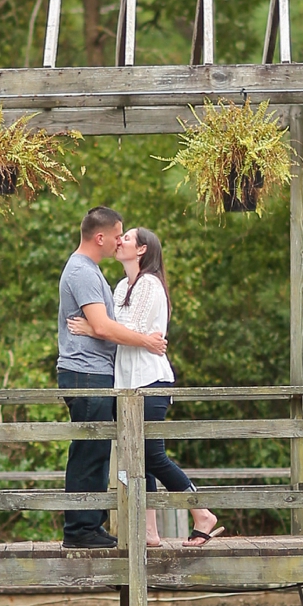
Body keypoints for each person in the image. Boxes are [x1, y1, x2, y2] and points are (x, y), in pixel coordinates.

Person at [67, 227, 222, 546]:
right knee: (135, 457)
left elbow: (130, 329)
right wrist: (103, 328)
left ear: (141, 250)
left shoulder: (150, 284)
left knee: (152, 455)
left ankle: (202, 512)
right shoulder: (122, 285)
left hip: (150, 380)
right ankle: (149, 531)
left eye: (127, 237)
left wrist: (95, 329)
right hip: (126, 383)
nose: (119, 240)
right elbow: (116, 329)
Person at [57, 208, 169, 550]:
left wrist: (98, 328)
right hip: (86, 372)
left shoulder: (91, 271)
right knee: (89, 452)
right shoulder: (83, 272)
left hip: (95, 372)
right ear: (100, 238)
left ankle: (90, 524)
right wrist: (147, 341)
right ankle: (80, 529)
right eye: (117, 235)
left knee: (96, 451)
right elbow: (104, 326)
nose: (120, 241)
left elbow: (101, 326)